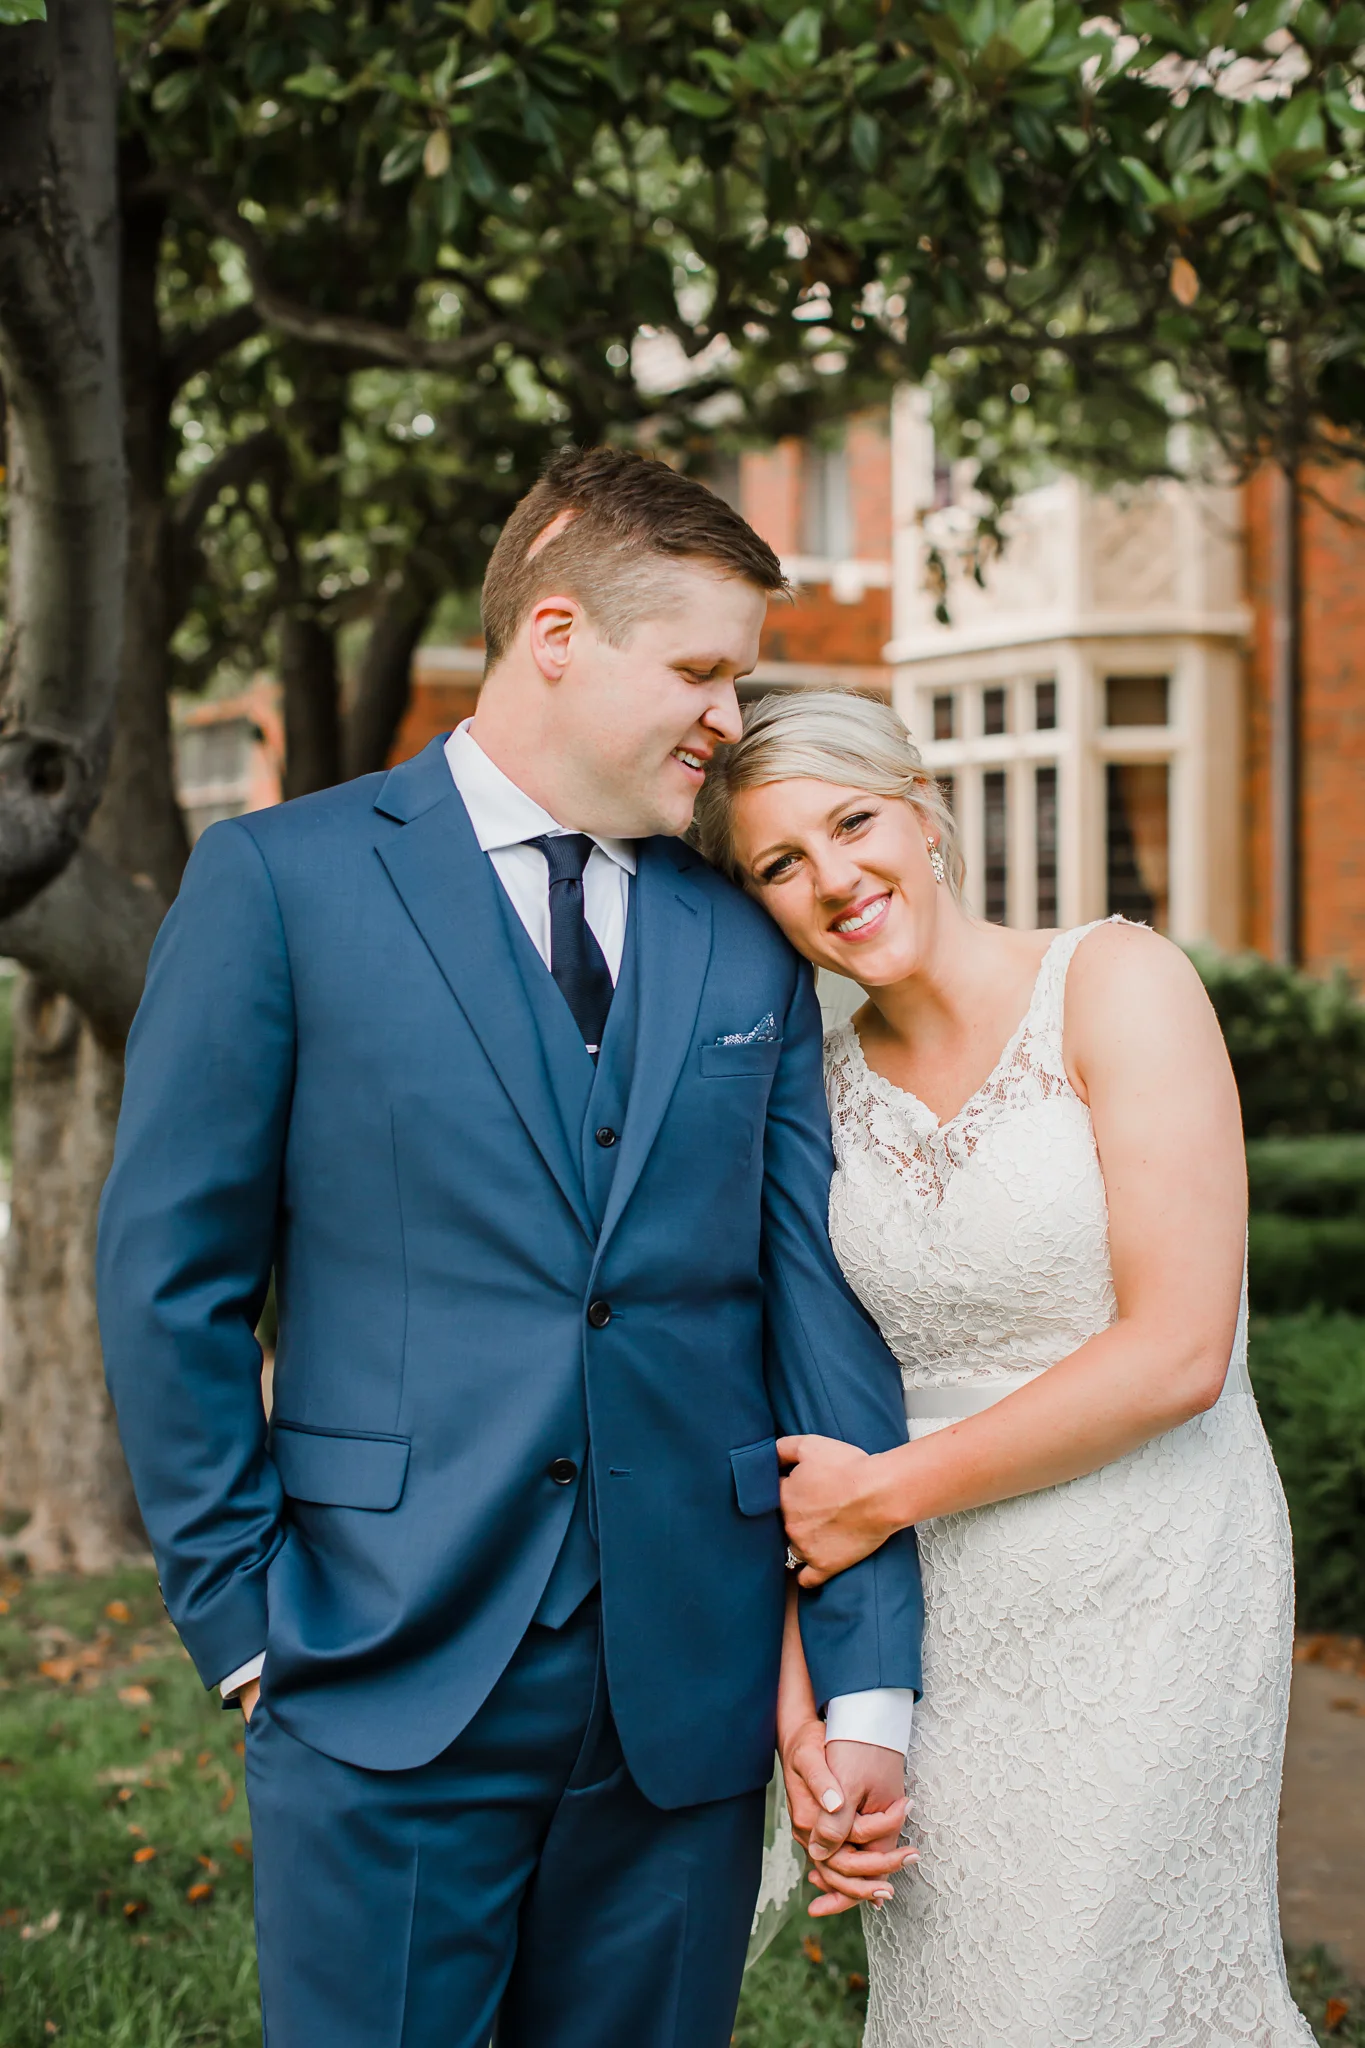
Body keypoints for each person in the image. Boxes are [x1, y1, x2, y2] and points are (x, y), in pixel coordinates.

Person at [95, 452, 924, 2048]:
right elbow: (171, 1275)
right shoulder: (278, 884)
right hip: (371, 1659)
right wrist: (244, 1630)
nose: (728, 721)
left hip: (685, 1688)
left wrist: (865, 1675)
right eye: (699, 669)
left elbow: (816, 1308)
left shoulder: (741, 927)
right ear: (557, 634)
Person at [694, 689, 1314, 2048]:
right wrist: (807, 1702)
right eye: (779, 865)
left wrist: (885, 1495)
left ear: (922, 808)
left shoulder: (1115, 981)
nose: (835, 878)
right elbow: (803, 1403)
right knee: (965, 1993)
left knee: (1088, 1986)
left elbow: (1178, 1352)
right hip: (938, 1609)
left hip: (1155, 1568)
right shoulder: (814, 1086)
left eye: (853, 822)